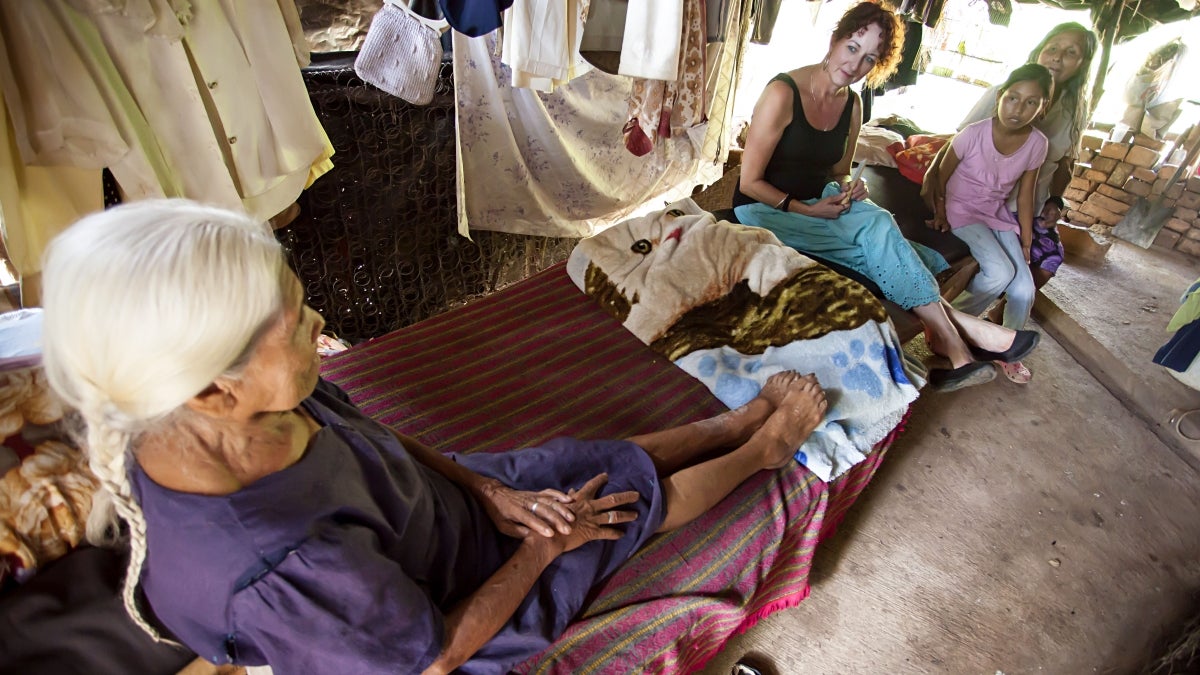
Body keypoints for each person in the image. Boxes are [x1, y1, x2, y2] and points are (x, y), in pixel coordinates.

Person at [40, 199, 835, 674]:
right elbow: (436, 656)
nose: (320, 326)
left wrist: (490, 492)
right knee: (617, 505)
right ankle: (762, 451)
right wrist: (541, 548)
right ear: (213, 386)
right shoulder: (279, 567)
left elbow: (364, 431)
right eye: (296, 321)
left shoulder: (242, 407)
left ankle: (729, 421)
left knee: (564, 465)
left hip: (445, 506)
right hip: (454, 601)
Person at [732, 1, 1037, 391]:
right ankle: (966, 337)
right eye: (852, 47)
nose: (855, 64)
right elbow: (749, 182)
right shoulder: (783, 92)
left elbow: (838, 171)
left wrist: (849, 188)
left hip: (820, 202)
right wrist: (805, 210)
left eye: (869, 58)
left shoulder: (853, 104)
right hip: (767, 209)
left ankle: (959, 349)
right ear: (835, 41)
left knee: (878, 229)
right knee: (879, 233)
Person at [930, 64, 1053, 384]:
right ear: (1000, 97)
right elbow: (938, 179)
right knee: (1000, 271)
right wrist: (940, 212)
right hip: (962, 210)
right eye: (1013, 98)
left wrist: (1026, 240)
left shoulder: (1037, 144)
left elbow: (1026, 196)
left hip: (995, 213)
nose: (1019, 108)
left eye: (1031, 102)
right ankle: (949, 328)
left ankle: (1006, 350)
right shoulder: (973, 134)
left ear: (1043, 107)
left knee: (1024, 287)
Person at [926, 22, 1098, 219]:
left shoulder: (1073, 113)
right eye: (1052, 48)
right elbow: (957, 143)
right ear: (1039, 52)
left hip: (1031, 208)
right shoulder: (1001, 96)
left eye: (1070, 52)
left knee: (1048, 251)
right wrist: (931, 177)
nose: (1057, 57)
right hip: (977, 202)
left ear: (1082, 64)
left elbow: (1065, 164)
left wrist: (1055, 201)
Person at [987, 196, 1066, 326]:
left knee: (1053, 258)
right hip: (1010, 210)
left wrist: (1054, 203)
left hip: (1036, 210)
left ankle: (1001, 312)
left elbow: (1059, 183)